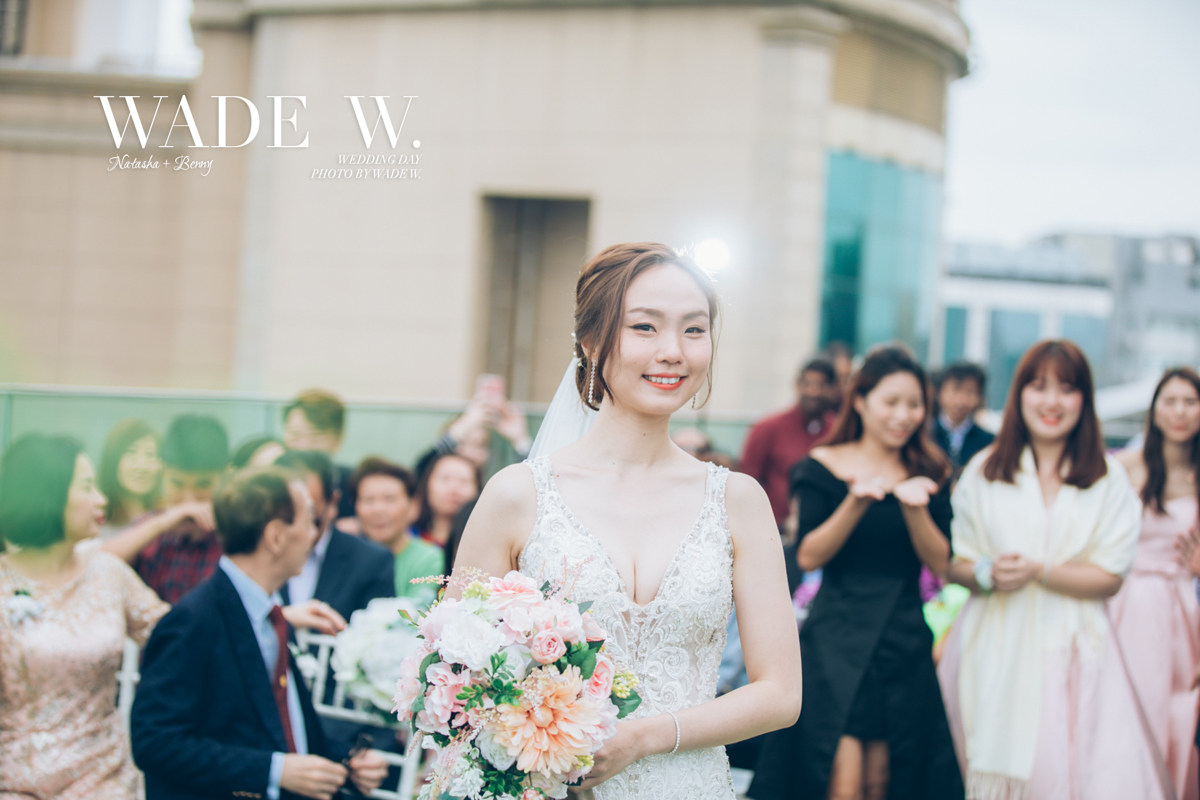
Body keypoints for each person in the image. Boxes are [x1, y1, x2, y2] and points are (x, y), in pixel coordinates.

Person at [454, 242, 802, 799]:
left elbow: (781, 694)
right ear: (591, 341)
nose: (673, 351)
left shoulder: (738, 500)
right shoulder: (517, 496)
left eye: (694, 330)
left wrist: (643, 737)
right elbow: (458, 669)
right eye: (645, 327)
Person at [939, 340, 1166, 800]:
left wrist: (1040, 571)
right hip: (994, 643)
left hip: (1076, 648)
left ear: (1085, 399)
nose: (1051, 401)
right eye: (1038, 386)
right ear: (1019, 393)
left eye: (1067, 388)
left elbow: (1110, 576)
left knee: (1074, 772)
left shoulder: (1107, 478)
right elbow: (956, 561)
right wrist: (987, 574)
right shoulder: (984, 471)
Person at [751, 345, 963, 800]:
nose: (903, 415)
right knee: (838, 778)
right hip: (837, 639)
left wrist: (914, 508)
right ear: (861, 401)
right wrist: (857, 500)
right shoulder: (823, 466)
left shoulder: (932, 471)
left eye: (914, 404)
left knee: (890, 779)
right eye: (891, 402)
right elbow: (809, 556)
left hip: (904, 640)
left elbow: (941, 562)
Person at [131, 467, 389, 800]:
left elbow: (277, 728)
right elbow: (155, 742)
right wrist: (273, 771)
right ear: (276, 537)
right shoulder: (193, 621)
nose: (314, 534)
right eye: (310, 521)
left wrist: (346, 760)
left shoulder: (268, 615)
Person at [0, 434, 169, 799]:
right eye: (87, 487)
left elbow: (176, 636)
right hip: (12, 785)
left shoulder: (109, 572)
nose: (101, 499)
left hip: (106, 782)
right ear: (47, 493)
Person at [1110, 367, 1200, 800]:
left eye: (1191, 402)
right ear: (1154, 409)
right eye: (1170, 401)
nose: (1180, 412)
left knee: (1178, 712)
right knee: (1127, 707)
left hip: (1184, 606)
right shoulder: (1125, 466)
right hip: (1129, 602)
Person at [103, 414, 229, 604]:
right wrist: (160, 525)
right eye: (177, 484)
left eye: (203, 485)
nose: (189, 500)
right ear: (163, 473)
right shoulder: (153, 525)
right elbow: (97, 566)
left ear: (225, 477)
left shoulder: (236, 532)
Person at [275, 450, 394, 619]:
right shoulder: (252, 555)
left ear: (332, 503)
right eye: (286, 518)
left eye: (311, 519)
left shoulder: (372, 562)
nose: (297, 531)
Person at [740, 357, 840, 527]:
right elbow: (747, 480)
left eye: (822, 385)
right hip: (773, 527)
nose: (813, 392)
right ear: (797, 385)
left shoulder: (838, 432)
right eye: (807, 384)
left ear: (834, 389)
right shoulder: (767, 427)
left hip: (826, 529)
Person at [353, 456, 443, 607]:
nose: (378, 509)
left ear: (413, 506)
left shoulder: (430, 560)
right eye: (368, 500)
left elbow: (415, 614)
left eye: (389, 499)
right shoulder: (346, 556)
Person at [284, 390, 356, 520]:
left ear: (338, 438)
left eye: (316, 436)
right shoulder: (273, 481)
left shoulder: (353, 485)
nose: (304, 446)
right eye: (295, 435)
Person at [97, 418, 162, 535]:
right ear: (113, 460)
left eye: (150, 454)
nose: (142, 466)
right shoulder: (96, 524)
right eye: (131, 452)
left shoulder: (168, 521)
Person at [932, 362, 995, 470]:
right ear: (939, 393)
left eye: (969, 392)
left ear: (979, 397)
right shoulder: (925, 435)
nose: (961, 400)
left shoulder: (989, 442)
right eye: (955, 390)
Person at [411, 451, 481, 548]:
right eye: (445, 479)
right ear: (426, 485)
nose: (454, 488)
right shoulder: (408, 537)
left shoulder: (481, 543)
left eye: (464, 481)